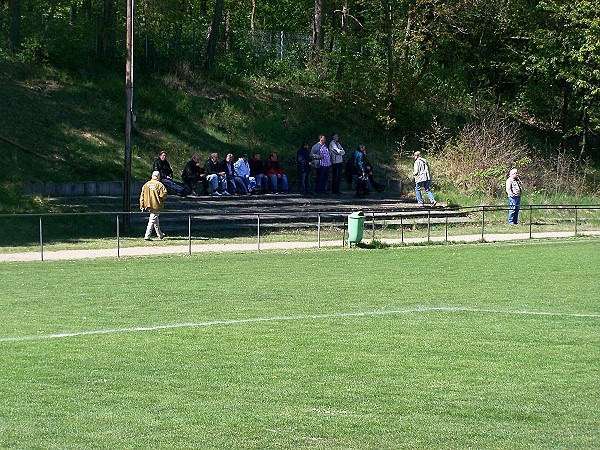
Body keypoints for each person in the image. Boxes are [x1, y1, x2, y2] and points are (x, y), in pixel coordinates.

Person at [140, 171, 168, 241]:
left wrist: (142, 205)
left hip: (148, 205)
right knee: (152, 220)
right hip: (156, 205)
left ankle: (160, 235)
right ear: (158, 176)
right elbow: (163, 195)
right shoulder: (160, 185)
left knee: (155, 220)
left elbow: (142, 196)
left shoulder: (146, 184)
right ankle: (147, 236)